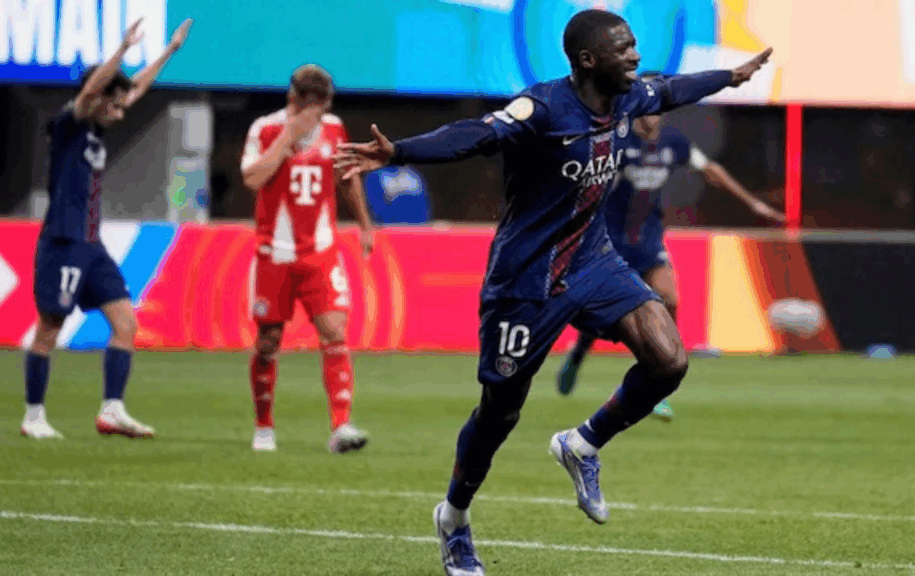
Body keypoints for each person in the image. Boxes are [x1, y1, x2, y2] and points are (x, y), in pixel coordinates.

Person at [337, 10, 770, 575]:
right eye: (624, 48)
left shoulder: (629, 99)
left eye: (635, 45)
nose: (636, 56)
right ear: (588, 60)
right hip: (525, 281)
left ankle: (582, 444)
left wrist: (730, 77)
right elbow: (475, 135)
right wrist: (399, 152)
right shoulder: (541, 109)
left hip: (593, 262)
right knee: (500, 413)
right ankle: (454, 517)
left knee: (669, 359)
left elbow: (671, 90)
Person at [557, 74, 785, 420]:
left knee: (670, 298)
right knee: (599, 320)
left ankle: (658, 380)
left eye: (656, 106)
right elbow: (593, 187)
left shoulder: (673, 142)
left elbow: (711, 170)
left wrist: (753, 204)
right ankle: (578, 354)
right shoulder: (620, 142)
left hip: (649, 240)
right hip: (612, 244)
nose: (651, 113)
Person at [20, 18, 193, 440]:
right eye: (112, 104)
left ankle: (112, 411)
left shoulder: (96, 125)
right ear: (97, 99)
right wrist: (122, 49)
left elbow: (135, 90)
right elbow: (91, 92)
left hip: (90, 245)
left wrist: (169, 51)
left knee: (125, 323)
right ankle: (33, 416)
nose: (120, 111)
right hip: (62, 241)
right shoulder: (70, 124)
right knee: (49, 329)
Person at [240, 64, 375, 454]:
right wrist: (288, 136)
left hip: (320, 251)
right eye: (307, 102)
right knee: (268, 340)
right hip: (274, 254)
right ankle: (264, 426)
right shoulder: (265, 129)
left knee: (334, 330)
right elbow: (252, 178)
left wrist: (365, 225)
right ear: (293, 98)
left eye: (320, 103)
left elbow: (348, 177)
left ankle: (341, 425)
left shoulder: (335, 129)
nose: (314, 111)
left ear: (327, 103)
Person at [363, 165, 431, 224]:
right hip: (389, 230)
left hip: (417, 229)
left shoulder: (413, 174)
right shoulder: (374, 175)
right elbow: (374, 209)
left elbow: (424, 205)